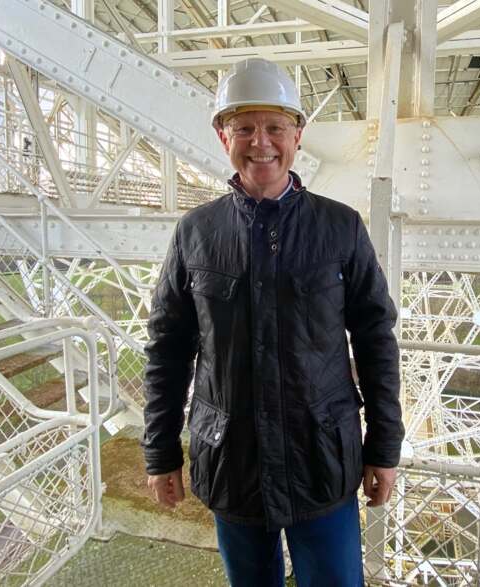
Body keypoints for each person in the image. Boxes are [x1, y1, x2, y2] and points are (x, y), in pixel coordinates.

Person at [141, 57, 405, 587]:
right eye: (244, 128)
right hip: (233, 462)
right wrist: (160, 451)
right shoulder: (196, 233)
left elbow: (376, 340)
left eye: (275, 127)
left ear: (297, 135)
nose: (260, 142)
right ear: (223, 137)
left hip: (319, 461)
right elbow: (167, 349)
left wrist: (384, 447)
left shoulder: (340, 228)